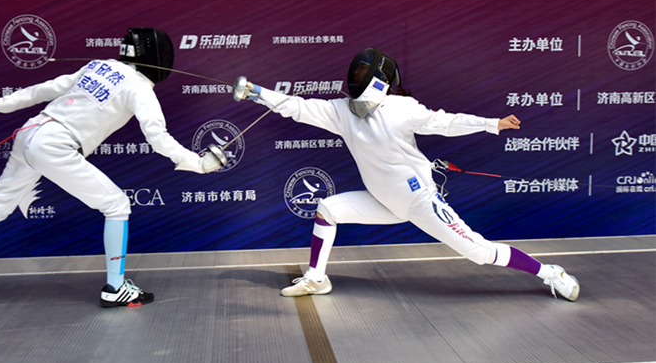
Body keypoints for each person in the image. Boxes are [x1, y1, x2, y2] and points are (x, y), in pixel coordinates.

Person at [0, 28, 226, 307]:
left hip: (30, 132)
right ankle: (115, 288)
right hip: (55, 145)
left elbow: (47, 88)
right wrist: (197, 164)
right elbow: (157, 137)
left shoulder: (99, 65)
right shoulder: (139, 87)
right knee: (116, 205)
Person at [234, 47, 580, 301]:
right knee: (328, 209)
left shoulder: (402, 108)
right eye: (359, 74)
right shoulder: (341, 111)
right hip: (383, 201)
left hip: (419, 201)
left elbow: (446, 122)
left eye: (363, 74)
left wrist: (492, 124)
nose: (359, 79)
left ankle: (550, 272)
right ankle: (316, 278)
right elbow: (296, 107)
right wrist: (256, 93)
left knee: (479, 252)